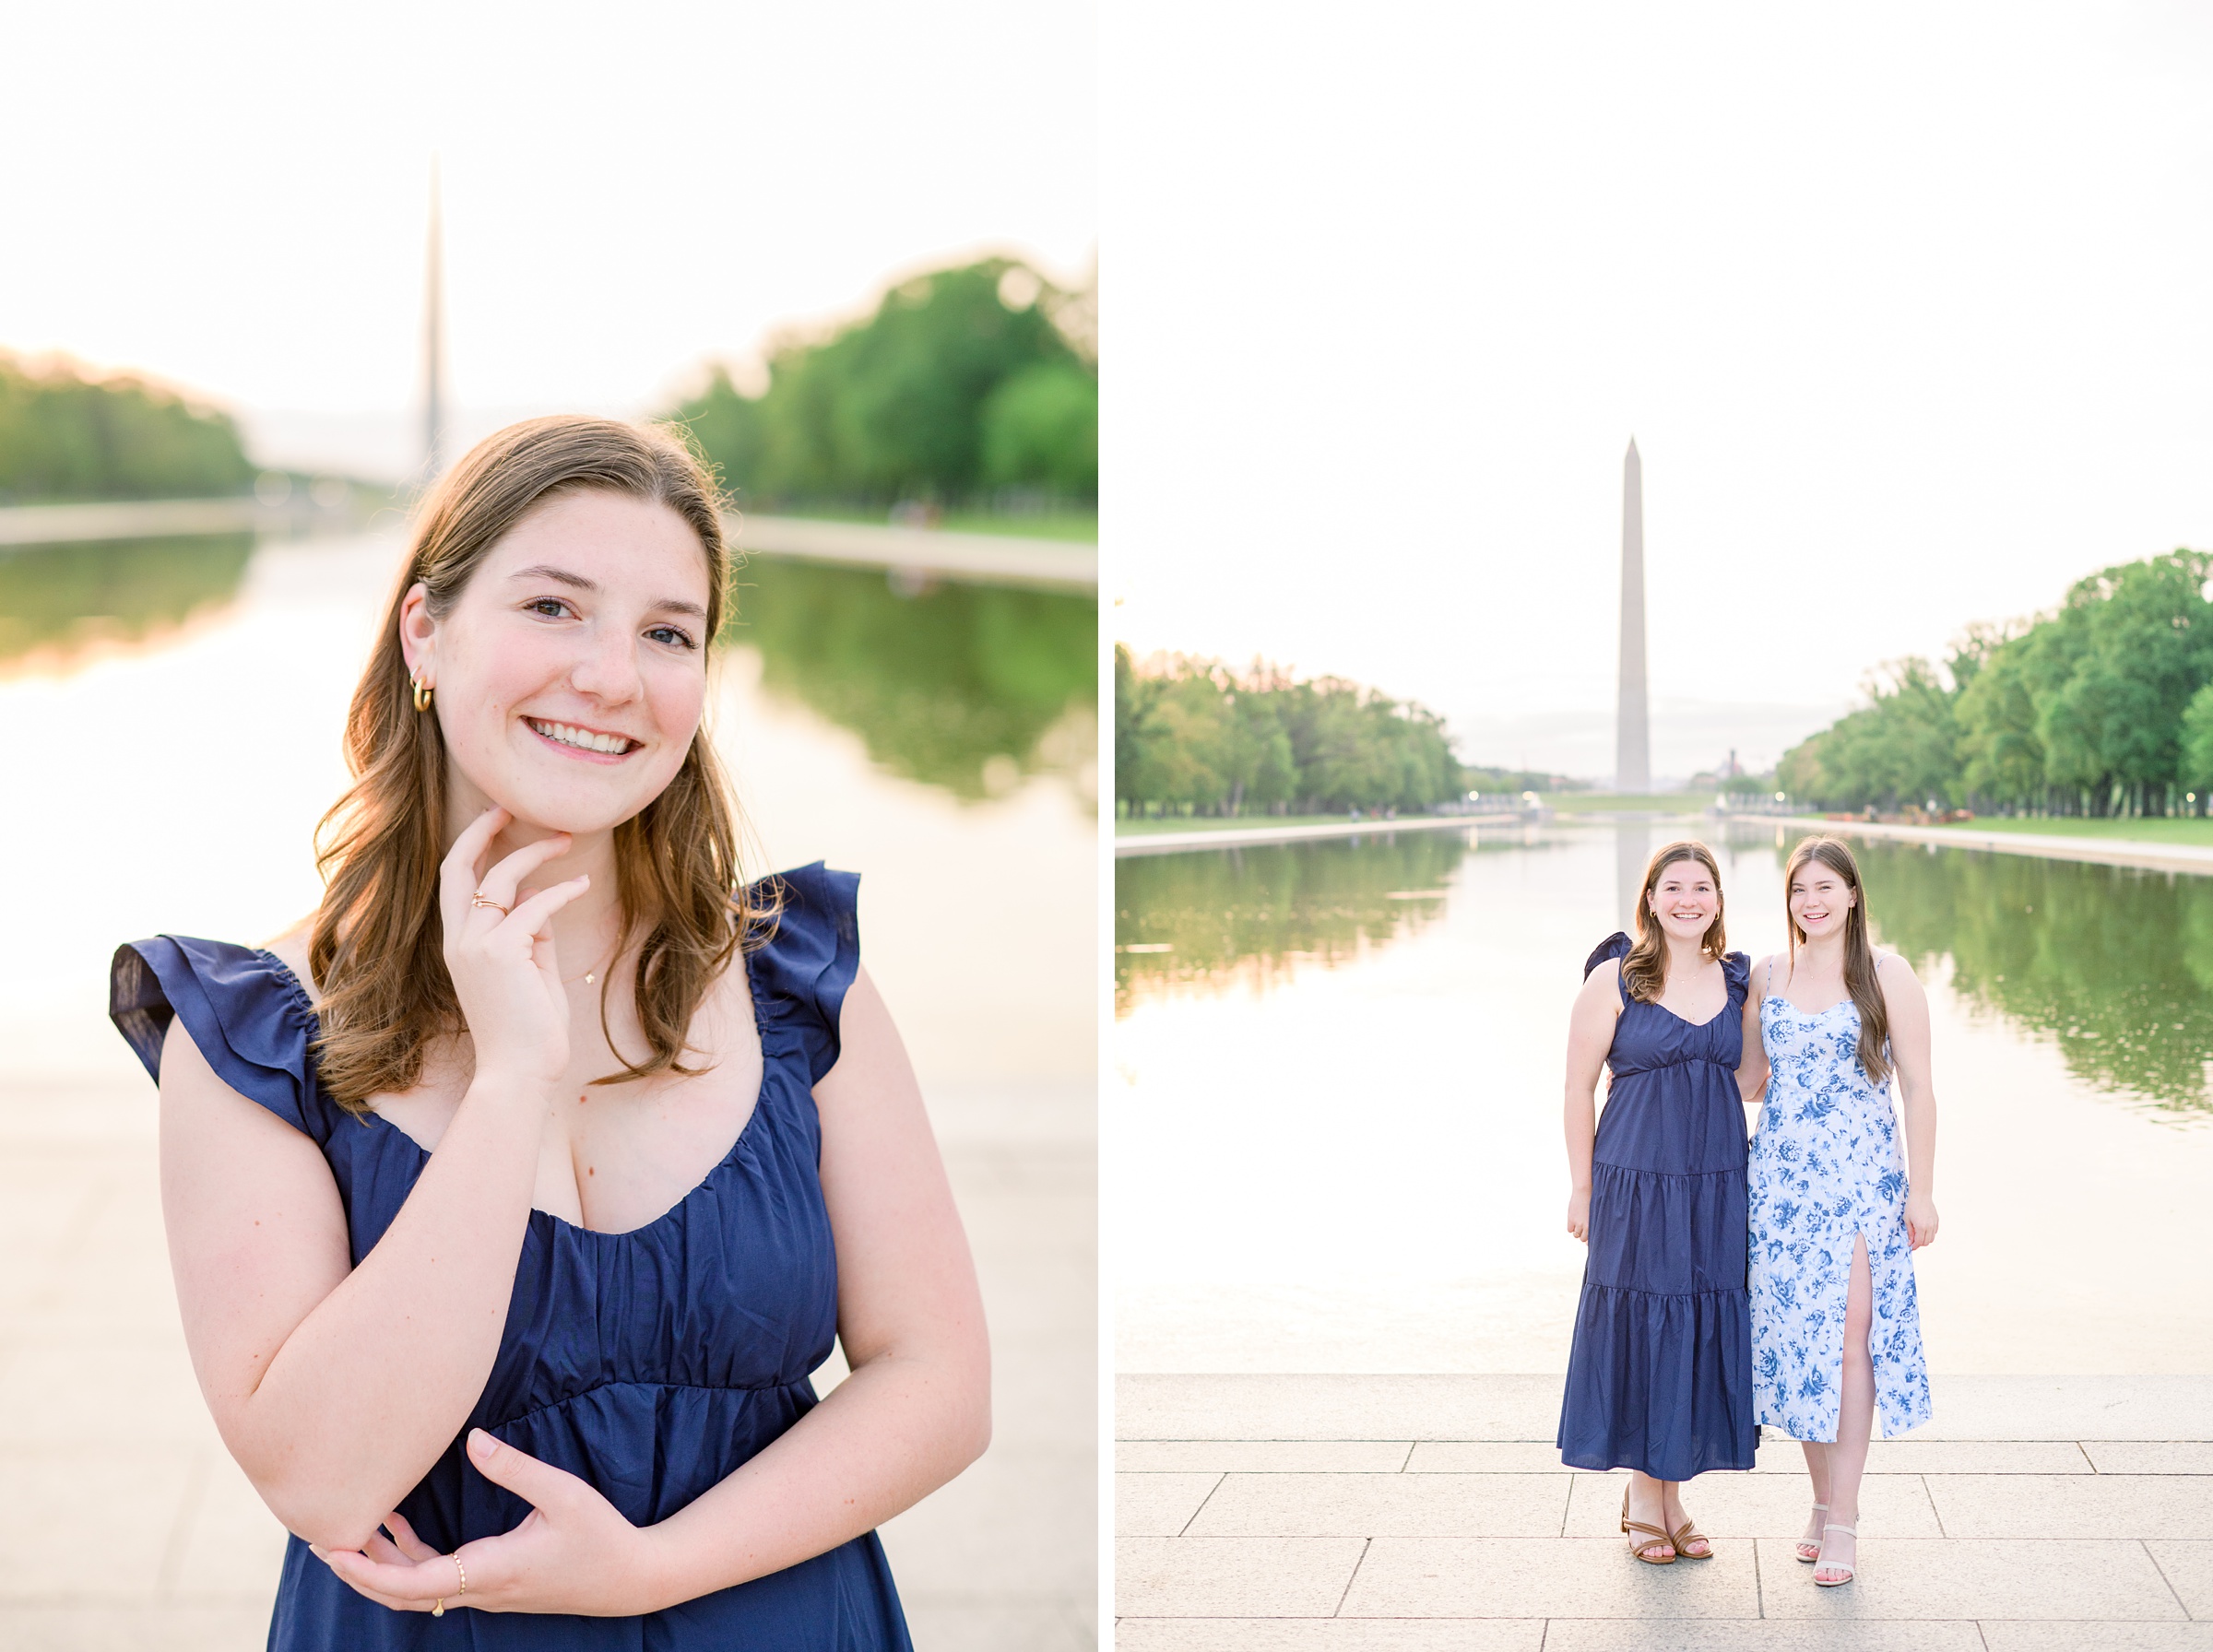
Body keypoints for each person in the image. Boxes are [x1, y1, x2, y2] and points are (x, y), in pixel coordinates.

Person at [107, 417, 989, 1646]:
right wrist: (512, 1073)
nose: (613, 677)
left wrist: (652, 1569)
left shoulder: (793, 981)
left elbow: (941, 1385)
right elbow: (321, 1477)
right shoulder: (253, 1034)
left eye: (667, 633)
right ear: (426, 630)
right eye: (555, 609)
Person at [1737, 835, 1937, 1588]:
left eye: (1826, 888)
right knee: (1794, 1340)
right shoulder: (1768, 974)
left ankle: (1845, 1521)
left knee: (1849, 1344)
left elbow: (1918, 1088)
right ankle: (1820, 1502)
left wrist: (1922, 1189)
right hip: (1782, 1184)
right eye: (1799, 890)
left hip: (1859, 1183)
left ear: (1853, 895)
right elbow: (1752, 1080)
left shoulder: (1888, 975)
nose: (1811, 902)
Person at [1558, 841, 1756, 1564]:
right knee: (1646, 1319)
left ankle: (1671, 1491)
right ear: (1650, 898)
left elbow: (1758, 1080)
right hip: (1635, 1177)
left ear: (1717, 901)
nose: (1687, 899)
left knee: (1698, 1318)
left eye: (1701, 887)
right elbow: (1578, 1087)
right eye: (1673, 887)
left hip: (1716, 1179)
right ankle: (1648, 1494)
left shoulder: (1739, 982)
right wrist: (1582, 1186)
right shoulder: (1615, 978)